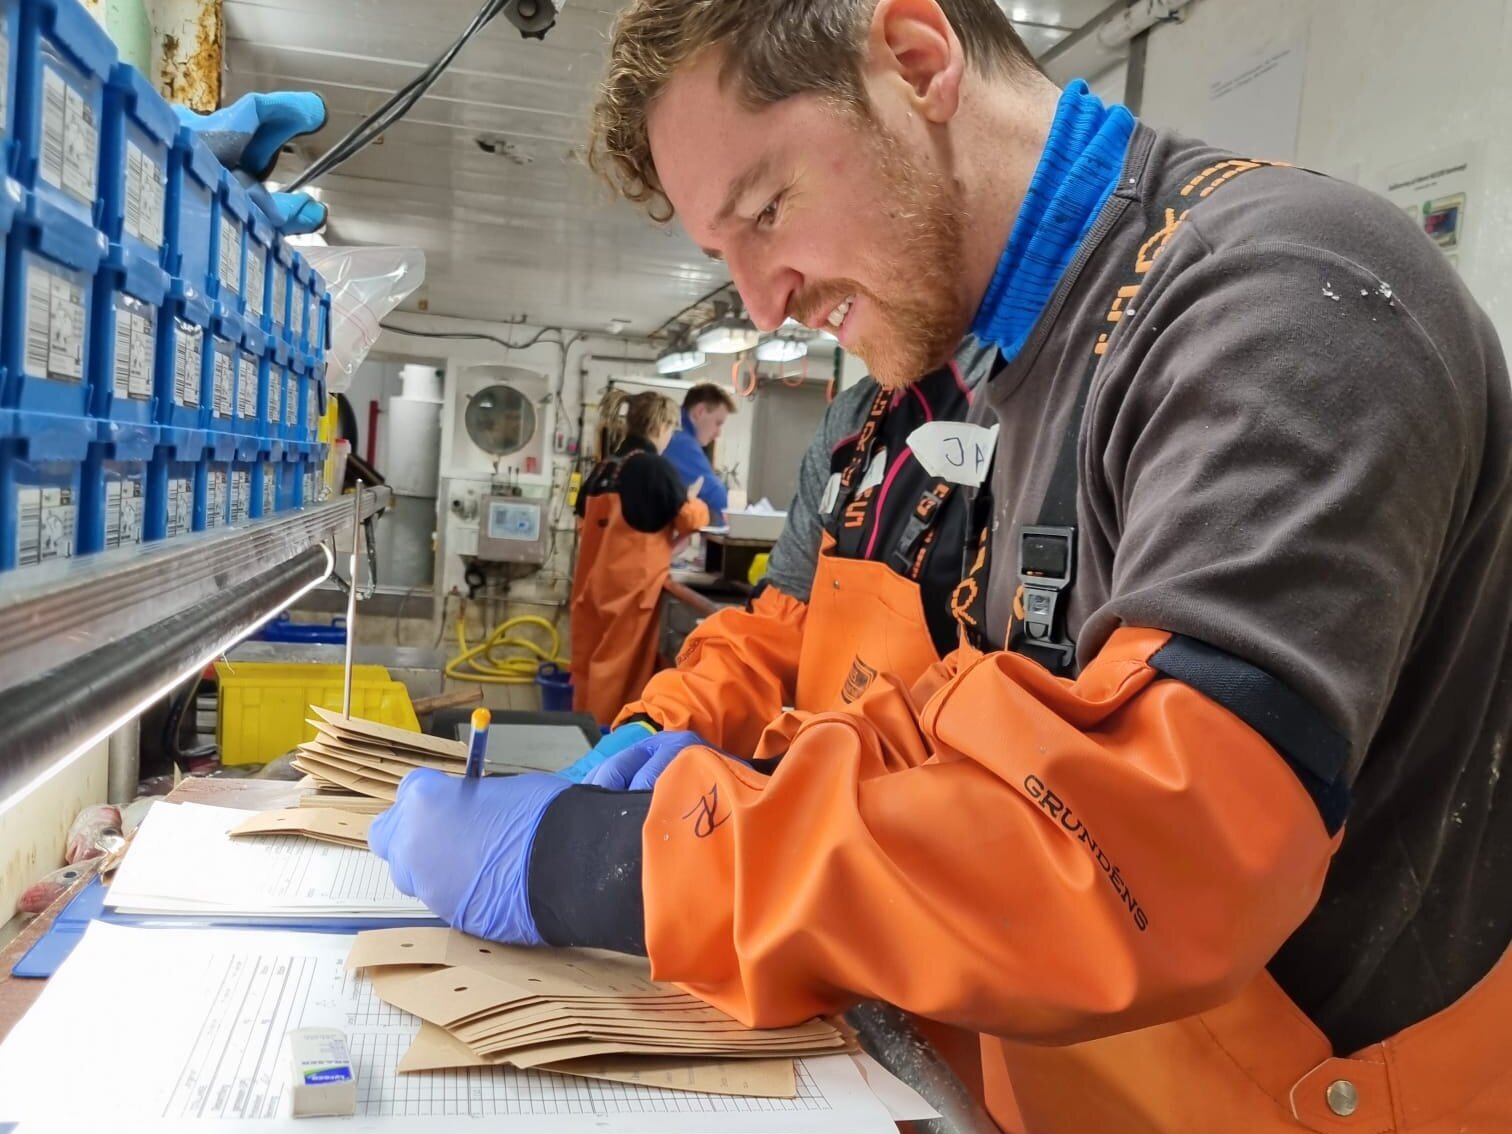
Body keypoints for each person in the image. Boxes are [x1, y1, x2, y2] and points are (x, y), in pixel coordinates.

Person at [371, 3, 1512, 1131]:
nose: (765, 302)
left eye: (768, 210)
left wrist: (613, 863)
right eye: (726, 253)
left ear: (917, 58)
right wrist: (690, 762)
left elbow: (1155, 862)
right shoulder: (968, 366)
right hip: (1044, 1069)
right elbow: (958, 728)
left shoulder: (1283, 302)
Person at [560, 337, 995, 782]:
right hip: (814, 801)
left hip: (912, 818)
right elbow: (774, 626)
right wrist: (660, 721)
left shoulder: (1035, 413)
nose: (767, 311)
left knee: (599, 670)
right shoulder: (854, 421)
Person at [568, 389, 709, 725]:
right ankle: (604, 753)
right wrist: (695, 500)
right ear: (661, 425)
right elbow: (689, 519)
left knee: (589, 669)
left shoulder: (602, 469)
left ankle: (582, 735)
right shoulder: (654, 468)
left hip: (592, 590)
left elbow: (582, 524)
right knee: (615, 679)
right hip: (630, 594)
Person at [662, 383, 735, 522]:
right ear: (699, 411)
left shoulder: (672, 432)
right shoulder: (681, 442)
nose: (718, 433)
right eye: (718, 423)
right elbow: (715, 494)